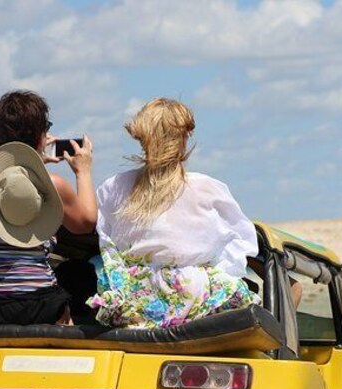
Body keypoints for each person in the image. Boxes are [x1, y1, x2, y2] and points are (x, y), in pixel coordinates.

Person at [88, 98, 258, 328]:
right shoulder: (208, 188)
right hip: (195, 293)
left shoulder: (113, 187)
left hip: (133, 298)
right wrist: (215, 275)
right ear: (185, 137)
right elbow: (241, 241)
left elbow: (107, 244)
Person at [0, 90, 96, 325]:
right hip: (36, 304)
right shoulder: (54, 186)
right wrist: (83, 171)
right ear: (40, 136)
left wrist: (33, 160)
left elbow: (13, 189)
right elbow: (86, 223)